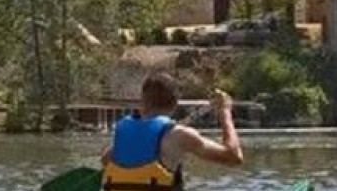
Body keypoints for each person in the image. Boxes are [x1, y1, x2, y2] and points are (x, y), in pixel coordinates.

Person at [101, 73, 243, 191]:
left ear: (142, 101)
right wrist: (225, 111)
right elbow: (234, 157)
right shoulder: (181, 136)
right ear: (175, 103)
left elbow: (105, 160)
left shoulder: (119, 141)